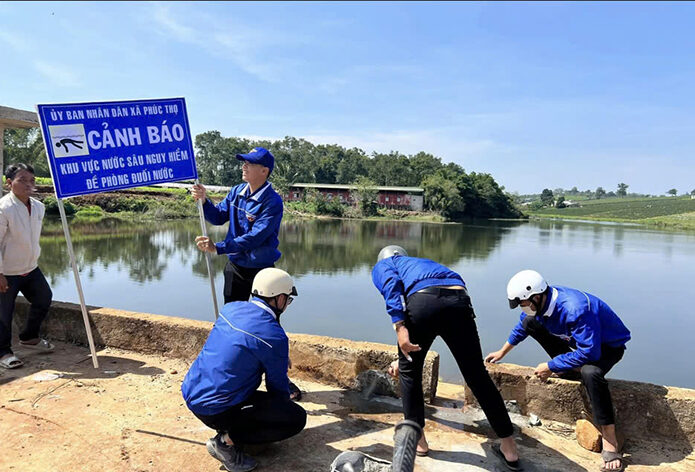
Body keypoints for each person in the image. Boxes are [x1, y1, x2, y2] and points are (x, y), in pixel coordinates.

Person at [372, 245, 521, 471]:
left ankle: (418, 442)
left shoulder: (385, 265)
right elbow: (456, 283)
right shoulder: (424, 263)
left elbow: (392, 288)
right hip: (459, 301)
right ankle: (510, 450)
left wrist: (400, 326)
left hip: (422, 303)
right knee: (476, 375)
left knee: (410, 372)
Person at [485, 270, 630, 472]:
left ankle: (610, 438)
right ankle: (570, 368)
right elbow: (522, 326)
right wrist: (502, 352)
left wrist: (551, 365)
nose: (521, 307)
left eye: (522, 303)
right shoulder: (539, 306)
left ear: (536, 296)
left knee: (591, 373)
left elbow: (590, 352)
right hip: (578, 343)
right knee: (530, 323)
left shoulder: (575, 309)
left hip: (606, 348)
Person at [181, 268, 306, 472]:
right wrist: (278, 415)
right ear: (280, 298)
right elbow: (276, 389)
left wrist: (277, 356)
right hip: (215, 408)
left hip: (193, 392)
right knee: (294, 417)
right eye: (288, 300)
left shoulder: (232, 309)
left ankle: (235, 430)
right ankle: (224, 442)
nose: (287, 305)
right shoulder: (274, 336)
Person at [193, 147, 283, 303]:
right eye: (244, 162)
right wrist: (204, 201)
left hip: (262, 270)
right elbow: (218, 217)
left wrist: (218, 247)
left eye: (250, 163)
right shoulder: (237, 192)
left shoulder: (272, 202)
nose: (244, 166)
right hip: (236, 267)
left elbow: (255, 237)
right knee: (232, 314)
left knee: (262, 318)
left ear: (264, 171)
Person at [0, 163, 54, 369]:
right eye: (22, 180)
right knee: (3, 313)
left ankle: (29, 337)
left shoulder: (39, 207)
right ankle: (3, 353)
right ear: (8, 183)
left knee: (43, 298)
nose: (28, 185)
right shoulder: (3, 209)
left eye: (32, 180)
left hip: (30, 268)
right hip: (7, 271)